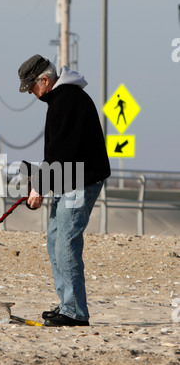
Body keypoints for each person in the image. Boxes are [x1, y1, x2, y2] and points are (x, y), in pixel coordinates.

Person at [18, 54, 111, 327]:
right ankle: (67, 305)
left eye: (31, 88)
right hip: (68, 179)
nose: (32, 94)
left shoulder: (67, 101)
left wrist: (39, 188)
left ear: (44, 81)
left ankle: (74, 313)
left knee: (66, 244)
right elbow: (59, 154)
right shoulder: (62, 99)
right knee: (55, 241)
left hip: (81, 181)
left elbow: (61, 151)